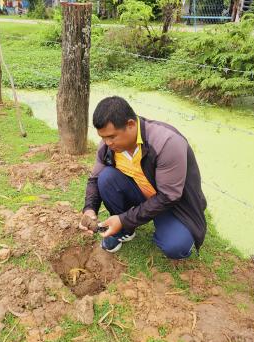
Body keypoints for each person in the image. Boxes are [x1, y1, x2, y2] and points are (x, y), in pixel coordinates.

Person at [80, 96, 207, 260]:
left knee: (176, 246)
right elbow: (94, 179)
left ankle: (138, 224)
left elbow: (168, 196)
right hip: (142, 193)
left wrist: (124, 219)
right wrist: (90, 209)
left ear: (131, 125)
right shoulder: (108, 147)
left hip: (173, 204)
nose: (106, 142)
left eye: (111, 137)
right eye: (102, 137)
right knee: (106, 178)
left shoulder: (167, 143)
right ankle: (124, 230)